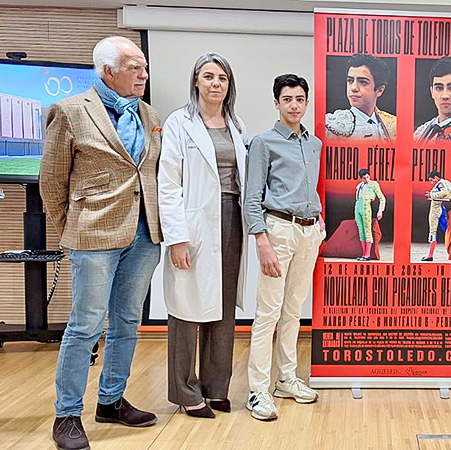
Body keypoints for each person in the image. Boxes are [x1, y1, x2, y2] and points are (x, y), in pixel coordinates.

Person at [40, 36, 162, 450]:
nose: (143, 75)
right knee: (86, 325)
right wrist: (72, 230)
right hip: (93, 235)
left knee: (127, 322)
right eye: (134, 67)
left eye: (144, 67)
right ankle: (67, 414)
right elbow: (51, 181)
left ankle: (111, 401)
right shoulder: (71, 111)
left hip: (144, 235)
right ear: (108, 71)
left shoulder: (149, 114)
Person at [157, 53, 248, 419]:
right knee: (186, 306)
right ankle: (184, 390)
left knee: (222, 306)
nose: (215, 83)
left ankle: (216, 388)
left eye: (222, 78)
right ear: (196, 81)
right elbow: (168, 184)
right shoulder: (179, 122)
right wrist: (176, 237)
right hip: (194, 222)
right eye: (208, 76)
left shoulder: (236, 124)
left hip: (232, 218)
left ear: (229, 85)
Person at [243, 74, 325, 422]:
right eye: (287, 99)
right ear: (276, 103)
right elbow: (251, 198)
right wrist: (261, 240)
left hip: (309, 231)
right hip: (278, 230)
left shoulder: (314, 144)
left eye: (300, 99)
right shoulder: (263, 143)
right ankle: (257, 390)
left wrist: (319, 221)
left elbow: (310, 187)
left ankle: (286, 379)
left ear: (306, 103)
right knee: (268, 313)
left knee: (293, 310)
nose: (294, 105)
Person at [325, 53, 396, 140]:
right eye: (350, 80)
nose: (353, 88)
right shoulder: (330, 125)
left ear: (379, 90)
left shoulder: (394, 125)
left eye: (363, 82)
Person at [422, 170, 451, 262]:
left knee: (433, 231)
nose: (431, 182)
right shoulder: (448, 184)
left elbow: (444, 193)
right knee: (447, 230)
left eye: (431, 180)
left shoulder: (440, 184)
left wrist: (431, 195)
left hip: (436, 210)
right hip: (442, 209)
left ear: (436, 177)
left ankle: (430, 255)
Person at [354, 168, 386, 261]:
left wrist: (380, 211)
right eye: (364, 178)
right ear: (361, 178)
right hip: (358, 207)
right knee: (361, 230)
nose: (367, 179)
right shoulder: (360, 185)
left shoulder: (374, 185)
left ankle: (367, 255)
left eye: (368, 177)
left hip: (366, 207)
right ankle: (364, 254)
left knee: (367, 230)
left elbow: (382, 198)